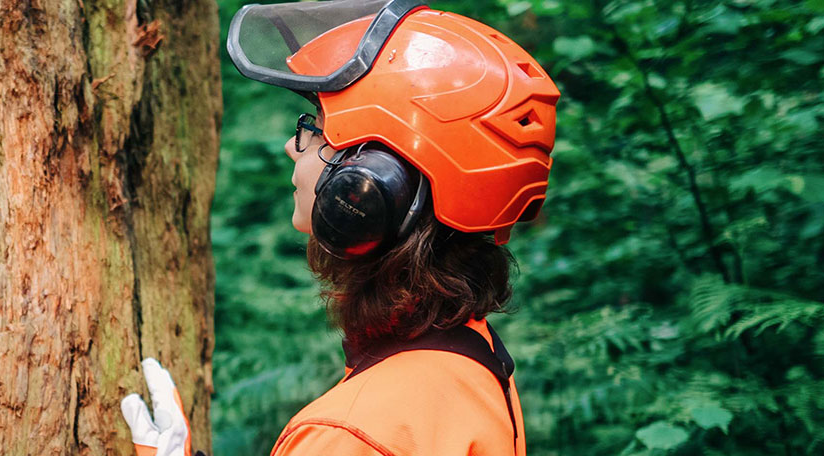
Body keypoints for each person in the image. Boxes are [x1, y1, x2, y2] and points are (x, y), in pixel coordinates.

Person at [119, 0, 561, 455]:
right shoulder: (473, 362)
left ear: (371, 186)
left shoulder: (349, 433)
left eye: (318, 129)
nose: (294, 147)